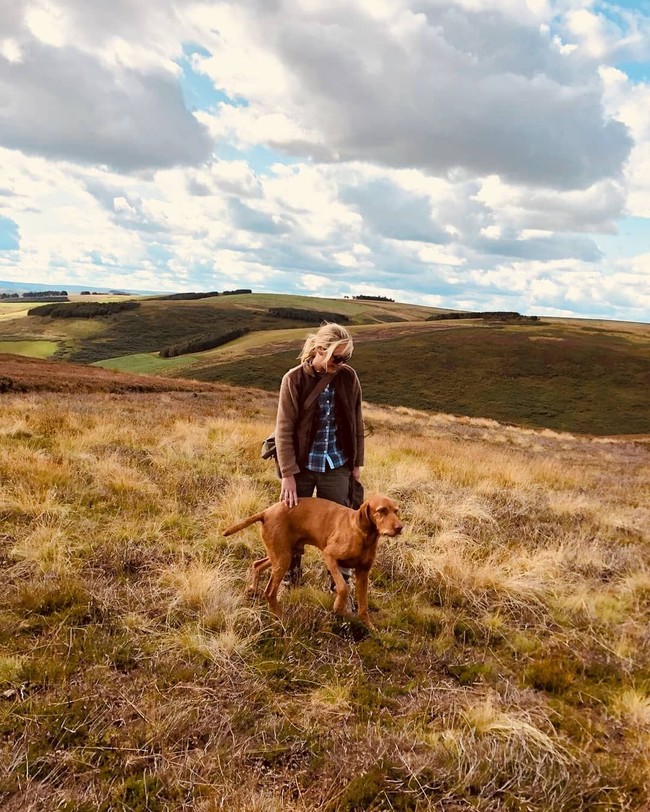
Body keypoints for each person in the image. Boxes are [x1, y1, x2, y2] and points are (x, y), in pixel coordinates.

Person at [274, 322, 364, 588]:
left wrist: (356, 463)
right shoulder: (293, 379)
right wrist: (288, 475)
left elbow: (357, 422)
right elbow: (284, 429)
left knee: (345, 526)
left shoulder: (348, 378)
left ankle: (339, 584)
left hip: (337, 464)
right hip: (301, 466)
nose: (341, 363)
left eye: (346, 358)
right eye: (337, 358)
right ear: (319, 349)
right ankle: (291, 577)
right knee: (292, 524)